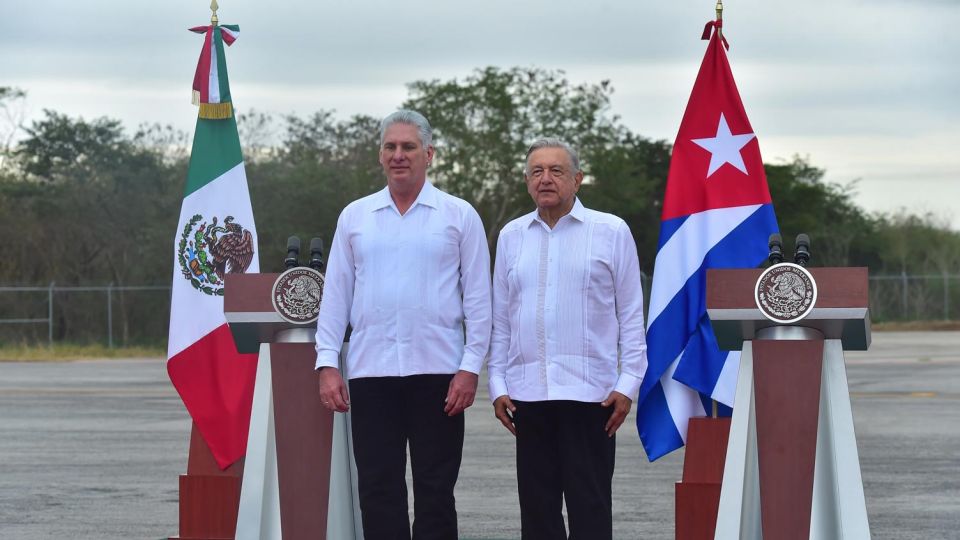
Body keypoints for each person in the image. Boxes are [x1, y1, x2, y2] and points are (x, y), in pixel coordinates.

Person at [314, 110, 492, 539]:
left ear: (429, 154)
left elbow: (480, 303)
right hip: (372, 373)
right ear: (380, 155)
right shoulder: (355, 217)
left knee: (435, 490)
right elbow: (336, 295)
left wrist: (470, 368)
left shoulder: (459, 215)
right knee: (378, 489)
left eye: (408, 147)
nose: (399, 155)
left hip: (439, 375)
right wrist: (327, 363)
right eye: (390, 147)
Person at [488, 138, 647, 540]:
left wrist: (628, 384)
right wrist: (497, 384)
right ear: (526, 182)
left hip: (591, 396)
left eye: (556, 171)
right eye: (536, 172)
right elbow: (501, 319)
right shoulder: (511, 236)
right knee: (537, 514)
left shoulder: (610, 231)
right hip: (529, 395)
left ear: (577, 179)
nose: (545, 179)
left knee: (590, 508)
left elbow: (630, 316)